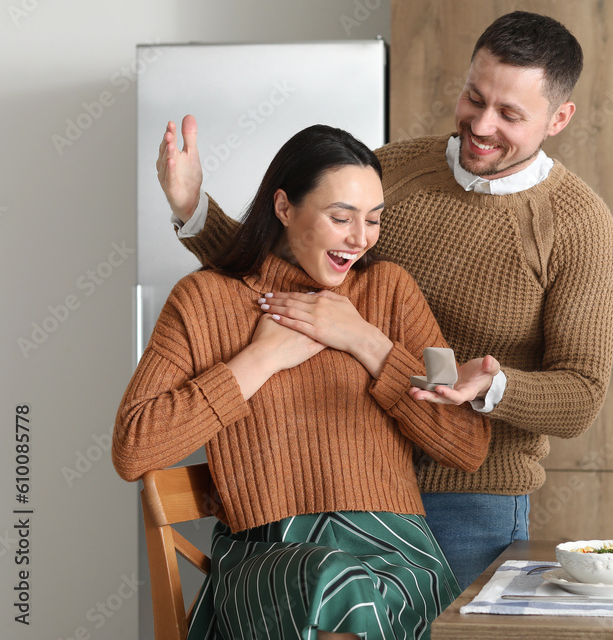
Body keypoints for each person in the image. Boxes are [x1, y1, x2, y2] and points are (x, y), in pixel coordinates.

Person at [158, 11, 613, 589]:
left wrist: (492, 386)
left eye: (509, 114)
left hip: (470, 500)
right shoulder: (393, 170)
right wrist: (192, 209)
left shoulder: (579, 226)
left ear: (559, 118)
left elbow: (580, 395)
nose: (481, 124)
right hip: (351, 481)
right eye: (474, 97)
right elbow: (281, 262)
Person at [113, 125, 490, 639]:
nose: (360, 239)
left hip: (395, 555)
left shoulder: (393, 292)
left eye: (373, 220)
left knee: (353, 587)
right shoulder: (203, 300)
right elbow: (133, 448)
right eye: (341, 218)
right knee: (333, 581)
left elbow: (468, 445)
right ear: (285, 208)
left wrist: (367, 343)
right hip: (270, 557)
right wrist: (259, 359)